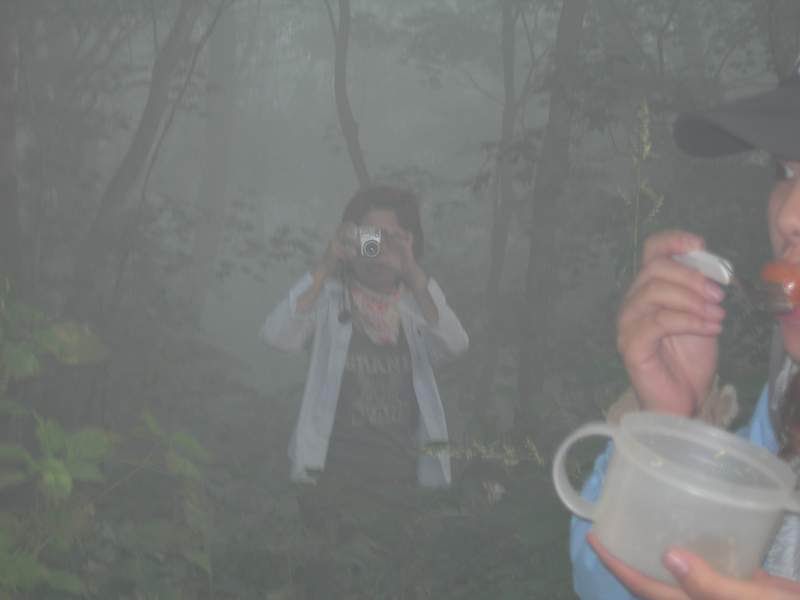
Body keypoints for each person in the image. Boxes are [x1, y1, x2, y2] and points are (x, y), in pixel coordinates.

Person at [569, 59, 800, 599]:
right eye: (786, 172)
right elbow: (610, 578)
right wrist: (672, 426)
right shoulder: (788, 397)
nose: (788, 215)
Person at [261, 184, 468, 595]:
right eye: (370, 235)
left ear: (412, 241)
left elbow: (454, 344)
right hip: (331, 477)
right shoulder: (330, 295)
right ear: (352, 237)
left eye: (393, 236)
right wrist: (326, 265)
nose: (380, 247)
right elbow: (278, 335)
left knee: (389, 584)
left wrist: (411, 271)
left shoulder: (416, 303)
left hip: (399, 478)